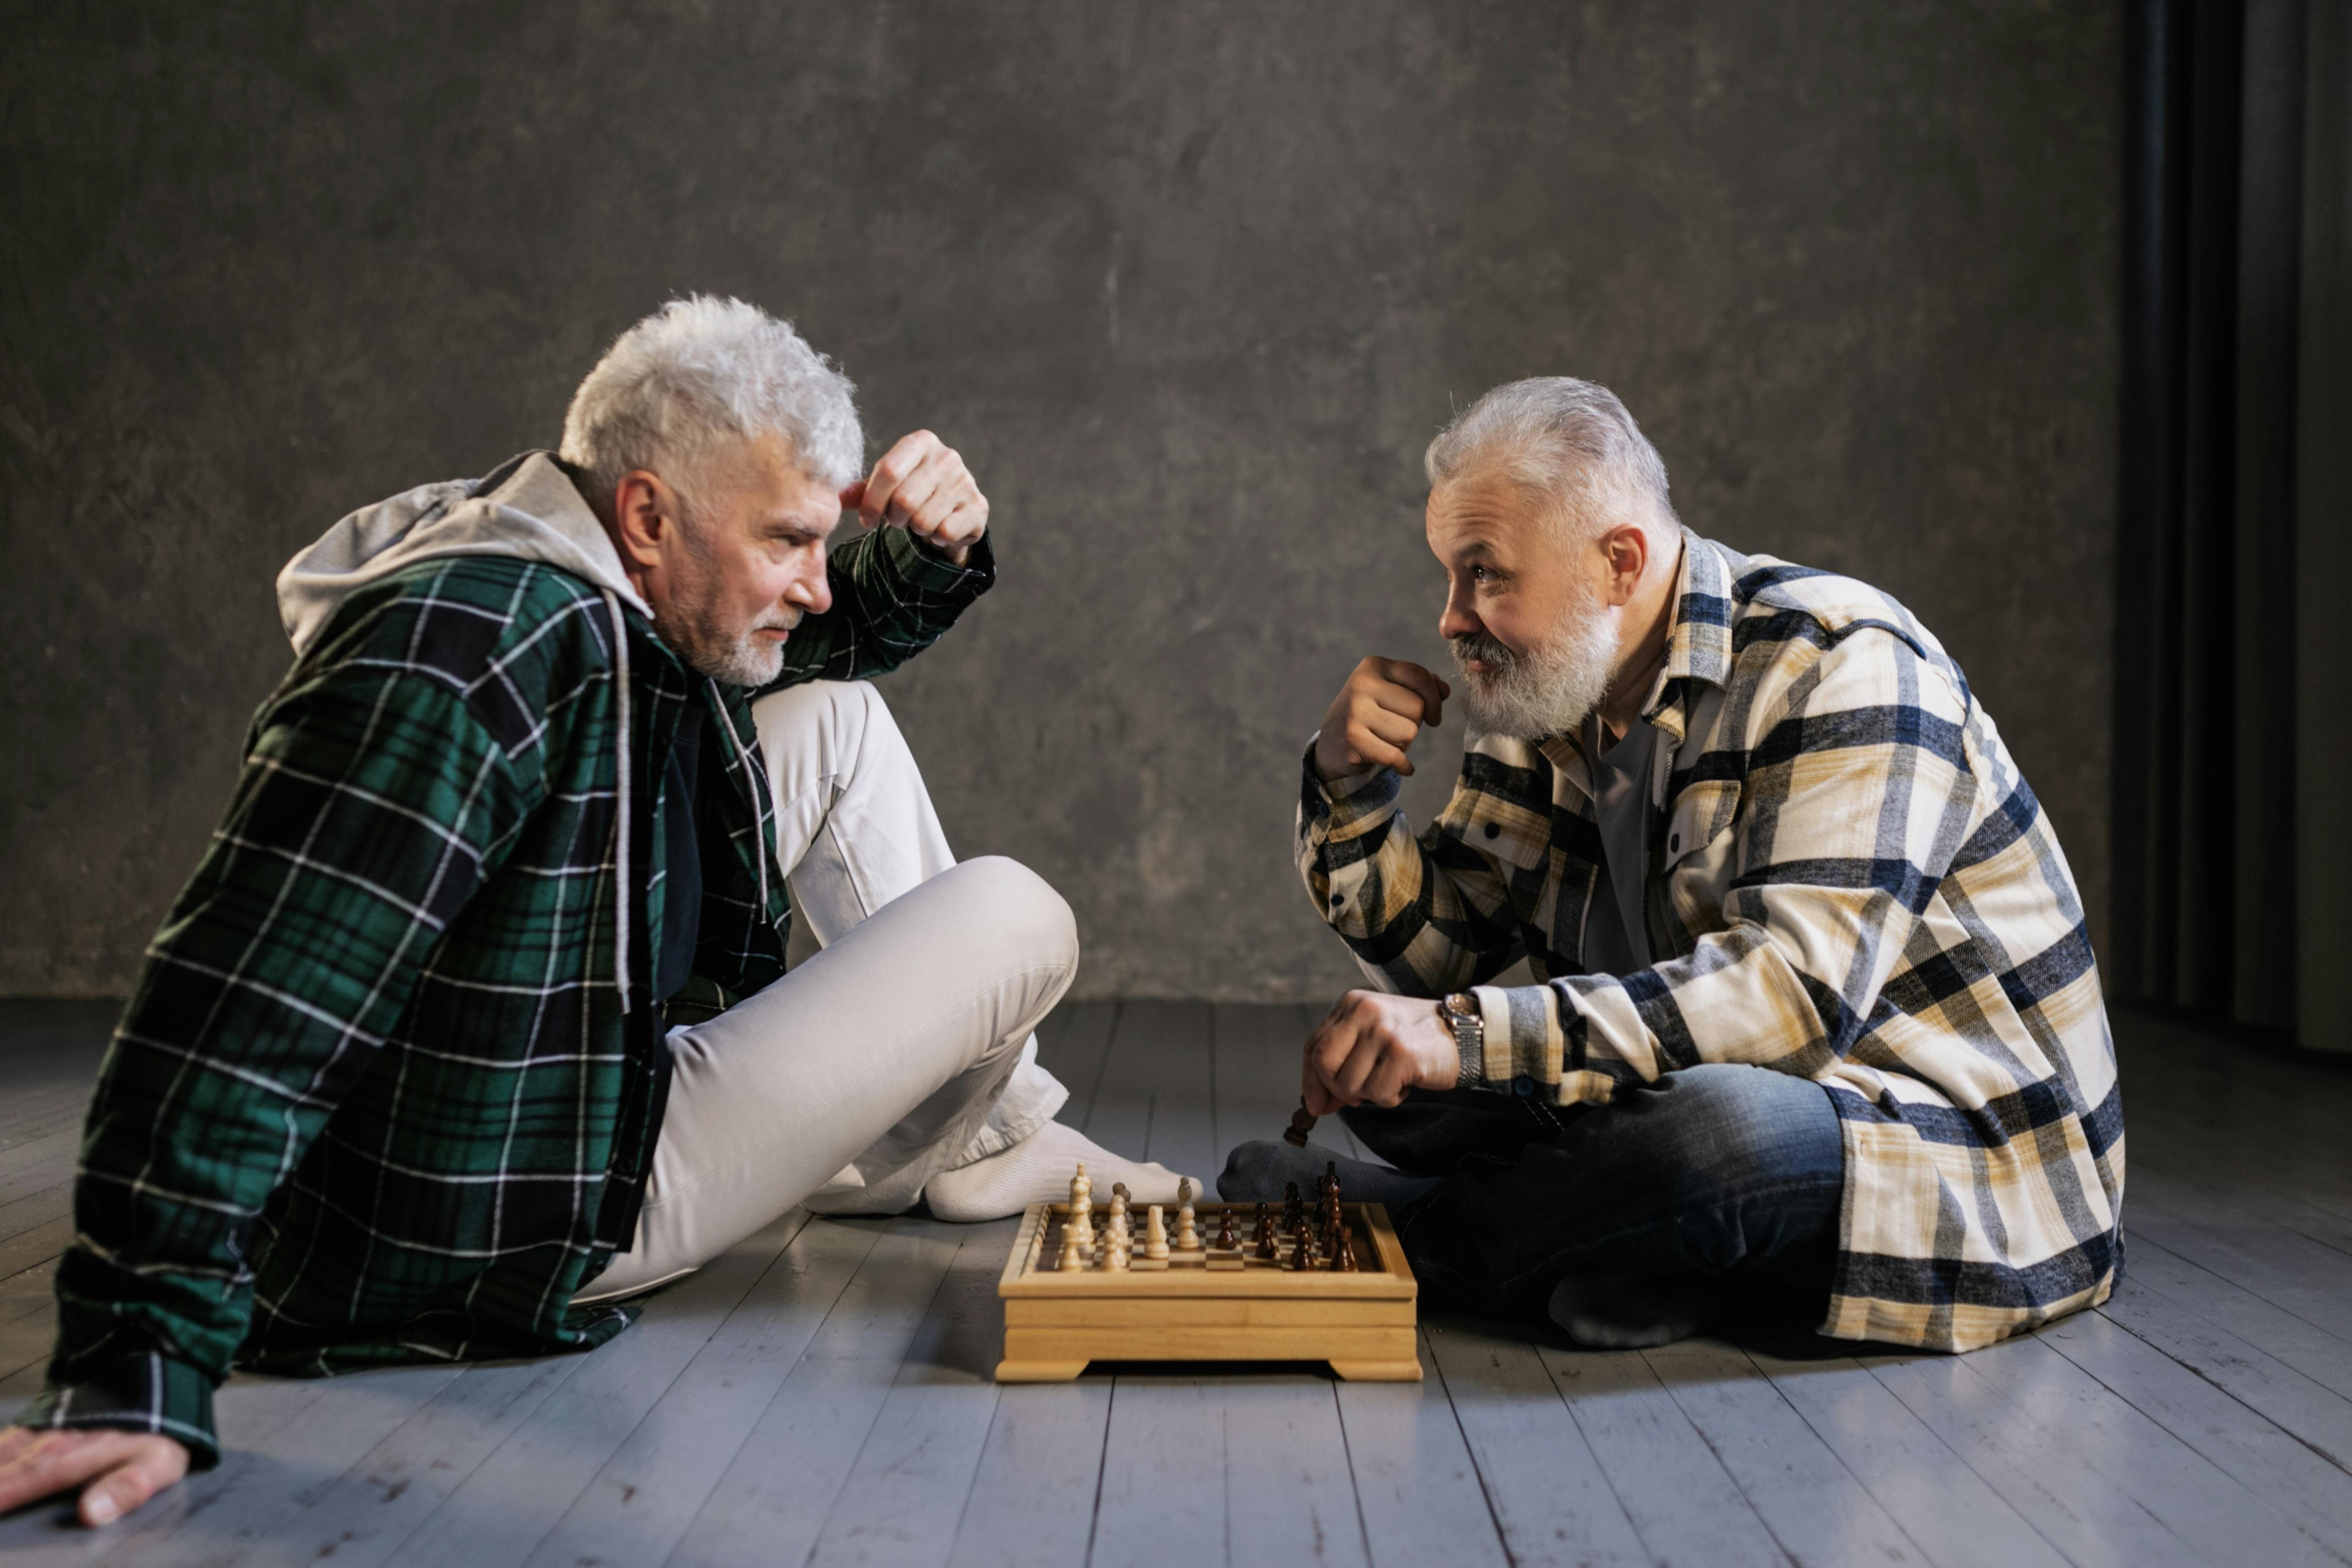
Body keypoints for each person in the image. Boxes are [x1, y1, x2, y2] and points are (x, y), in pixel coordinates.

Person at [0, 297, 1190, 1526]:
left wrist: (931, 546)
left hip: (572, 1088)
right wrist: (133, 1361)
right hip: (523, 1216)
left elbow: (788, 641)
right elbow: (236, 1005)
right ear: (647, 513)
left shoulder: (587, 572)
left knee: (829, 714)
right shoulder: (470, 650)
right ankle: (967, 1148)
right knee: (1015, 914)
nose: (815, 586)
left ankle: (986, 1148)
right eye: (788, 539)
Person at [1222, 377, 2121, 1356]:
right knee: (1394, 1073)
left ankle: (1400, 1233)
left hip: (1924, 1134)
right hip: (1689, 1079)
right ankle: (1655, 1253)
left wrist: (1459, 1032)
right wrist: (1344, 782)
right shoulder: (1549, 691)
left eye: (1484, 574)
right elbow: (1434, 962)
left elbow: (1787, 1008)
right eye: (1448, 574)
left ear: (1616, 562)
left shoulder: (1838, 662)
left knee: (1711, 1135)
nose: (1450, 617)